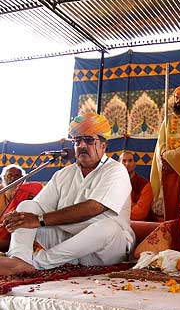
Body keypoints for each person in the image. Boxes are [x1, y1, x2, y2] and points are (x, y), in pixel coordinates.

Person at [0, 113, 134, 276]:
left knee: (109, 227)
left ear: (103, 146)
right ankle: (19, 259)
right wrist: (22, 217)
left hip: (104, 251)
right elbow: (37, 208)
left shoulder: (115, 170)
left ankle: (37, 262)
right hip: (68, 246)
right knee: (27, 207)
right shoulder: (63, 174)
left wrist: (38, 219)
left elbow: (93, 208)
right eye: (77, 141)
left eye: (89, 140)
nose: (82, 145)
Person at [150, 85, 180, 220]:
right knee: (167, 202)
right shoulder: (168, 119)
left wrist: (171, 155)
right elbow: (161, 142)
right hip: (167, 166)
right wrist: (164, 153)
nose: (178, 101)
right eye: (176, 97)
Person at [0, 165, 43, 251]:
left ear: (23, 179)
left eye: (17, 176)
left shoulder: (29, 191)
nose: (13, 179)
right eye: (9, 175)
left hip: (16, 232)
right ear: (3, 178)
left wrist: (33, 200)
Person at [119, 151, 153, 221]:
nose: (127, 164)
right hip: (118, 222)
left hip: (139, 224)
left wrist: (121, 209)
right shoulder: (113, 183)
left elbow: (140, 214)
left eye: (130, 161)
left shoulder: (144, 184)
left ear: (135, 164)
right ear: (119, 164)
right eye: (124, 161)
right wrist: (132, 205)